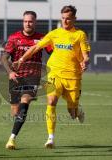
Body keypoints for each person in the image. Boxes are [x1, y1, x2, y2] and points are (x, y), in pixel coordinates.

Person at [18, 5, 90, 149]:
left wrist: (85, 62)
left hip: (73, 77)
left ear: (74, 19)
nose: (65, 21)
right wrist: (22, 59)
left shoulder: (80, 35)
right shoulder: (54, 33)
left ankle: (77, 110)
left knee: (72, 113)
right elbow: (36, 47)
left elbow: (85, 55)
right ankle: (50, 138)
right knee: (51, 101)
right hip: (54, 73)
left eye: (68, 19)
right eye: (63, 18)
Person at [1, 11, 52, 150]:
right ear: (23, 22)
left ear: (35, 22)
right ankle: (16, 125)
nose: (28, 24)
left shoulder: (42, 38)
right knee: (15, 110)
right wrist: (10, 72)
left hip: (33, 77)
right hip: (16, 78)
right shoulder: (14, 38)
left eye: (30, 21)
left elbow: (54, 53)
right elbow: (4, 57)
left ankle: (12, 139)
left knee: (25, 102)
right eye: (25, 21)